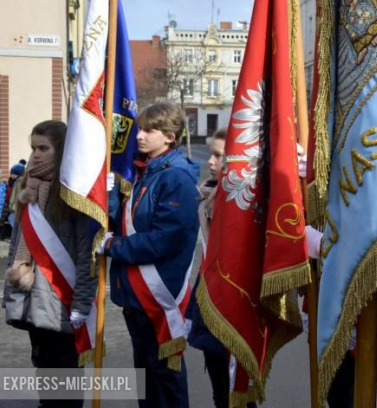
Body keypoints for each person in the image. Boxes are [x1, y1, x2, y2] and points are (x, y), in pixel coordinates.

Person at [98, 102, 200, 408]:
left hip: (158, 294)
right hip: (135, 294)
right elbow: (127, 223)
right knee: (146, 377)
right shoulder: (144, 171)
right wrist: (109, 197)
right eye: (139, 128)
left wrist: (112, 246)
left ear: (170, 136)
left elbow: (164, 240)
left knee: (164, 378)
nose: (139, 136)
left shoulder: (175, 178)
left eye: (148, 130)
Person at [3, 121, 96, 408]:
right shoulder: (27, 185)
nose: (36, 155)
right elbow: (15, 245)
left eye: (44, 148)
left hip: (63, 301)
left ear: (63, 150)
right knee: (44, 370)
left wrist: (80, 305)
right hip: (33, 299)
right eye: (33, 148)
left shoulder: (76, 193)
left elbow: (86, 256)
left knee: (65, 378)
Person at [186, 128, 259, 408]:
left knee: (238, 393)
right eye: (212, 154)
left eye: (219, 156)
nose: (212, 162)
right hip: (209, 303)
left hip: (235, 307)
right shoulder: (209, 196)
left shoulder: (245, 203)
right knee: (220, 392)